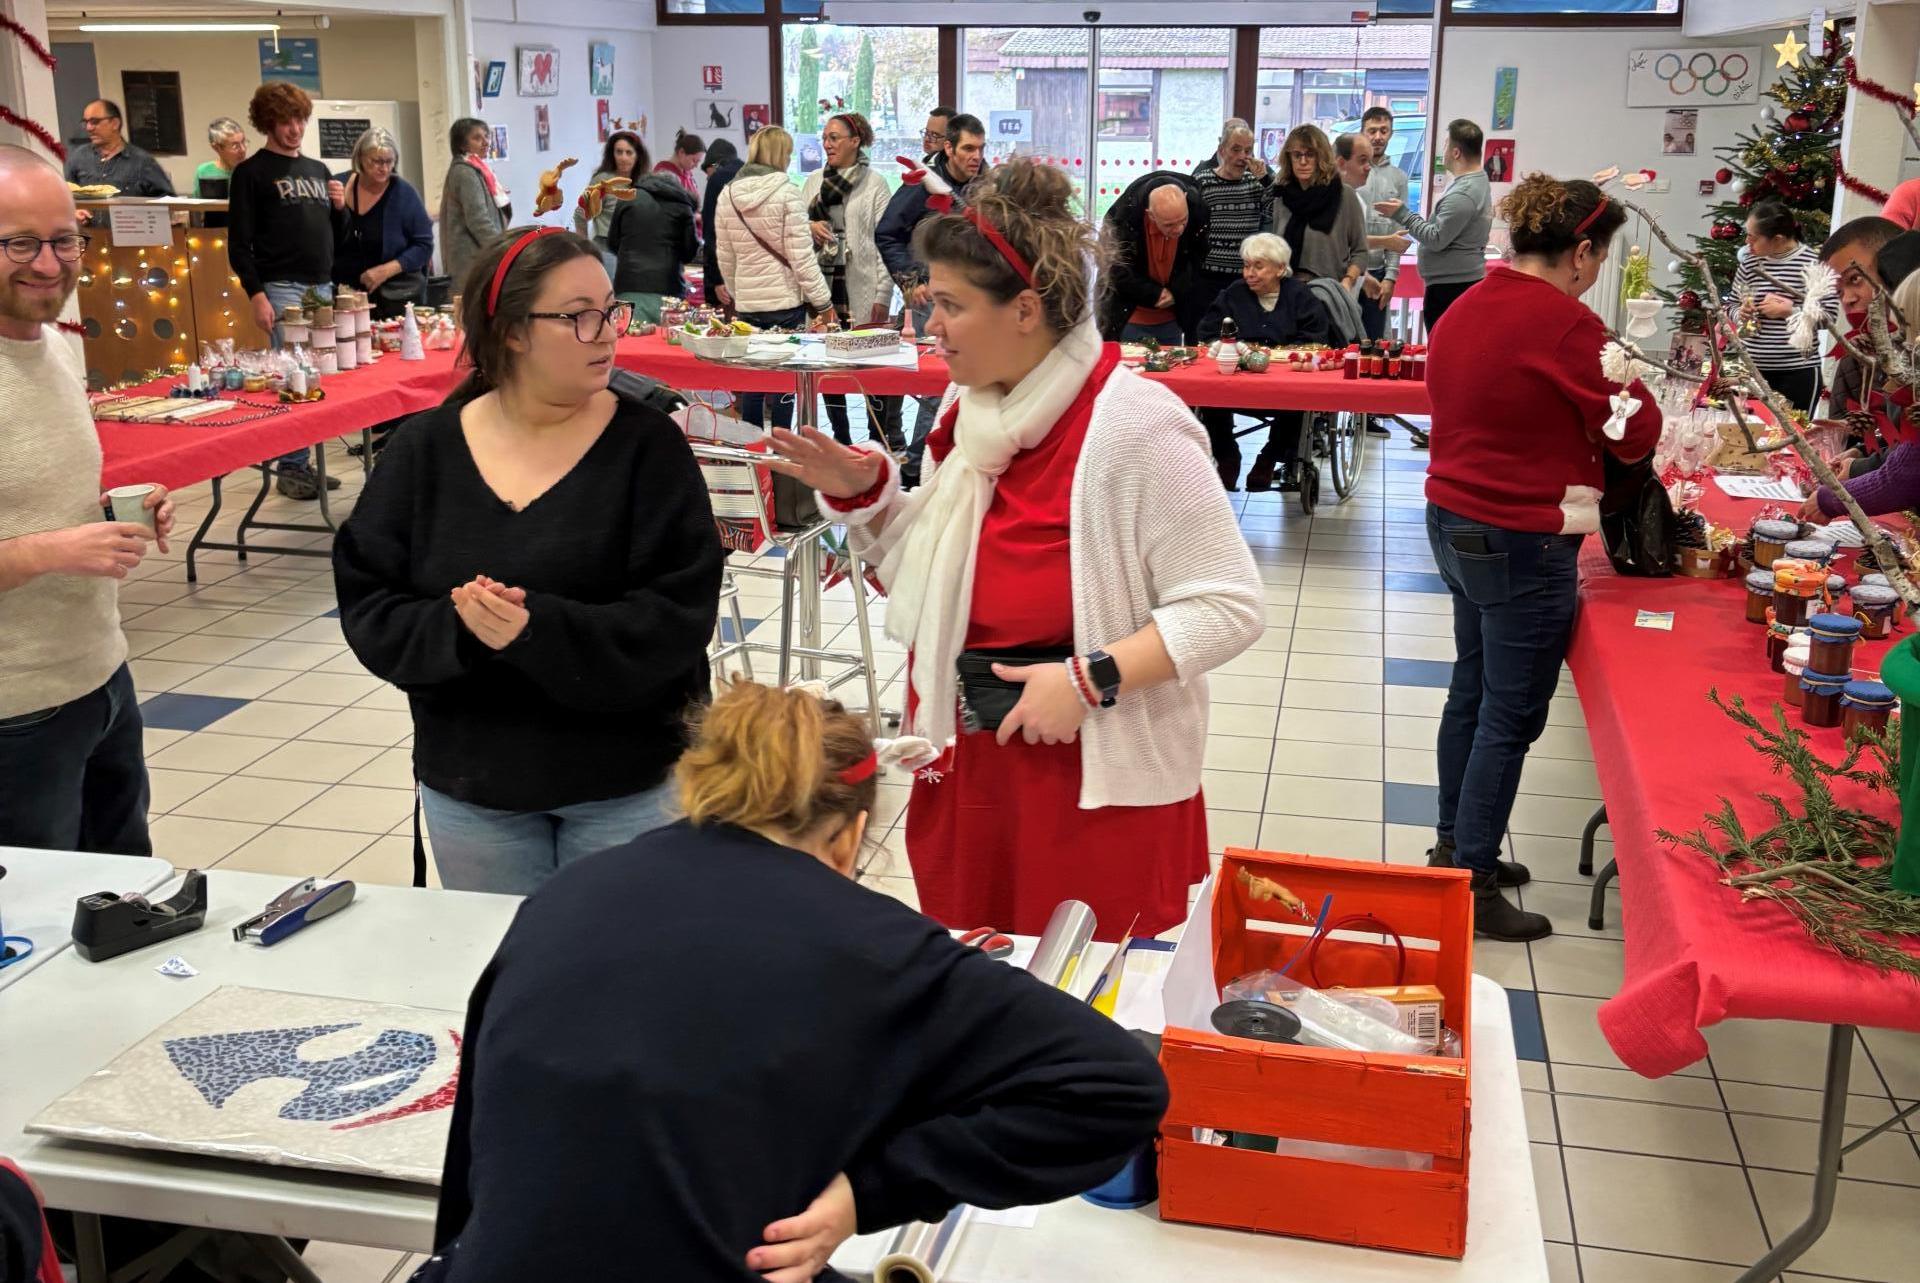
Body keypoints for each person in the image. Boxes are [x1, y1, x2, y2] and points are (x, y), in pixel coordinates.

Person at [416, 679, 1168, 1283]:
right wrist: (869, 1192)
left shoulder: (566, 894)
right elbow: (1120, 1088)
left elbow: (475, 1128)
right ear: (847, 835)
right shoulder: (877, 945)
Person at [769, 159, 1264, 941]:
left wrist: (1089, 677)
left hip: (1088, 784)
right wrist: (867, 500)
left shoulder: (1136, 426)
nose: (929, 324)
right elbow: (926, 578)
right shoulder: (972, 411)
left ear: (1026, 309)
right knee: (983, 1001)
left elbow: (1229, 607)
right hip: (972, 764)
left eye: (951, 306)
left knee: (1082, 1014)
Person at [333, 227, 723, 894]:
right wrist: (459, 629)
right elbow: (370, 599)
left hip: (630, 784)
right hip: (475, 786)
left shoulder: (648, 447)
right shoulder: (425, 450)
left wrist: (536, 629)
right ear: (512, 331)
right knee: (504, 971)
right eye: (578, 316)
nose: (606, 333)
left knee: (621, 979)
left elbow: (677, 616)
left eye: (611, 310)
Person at [1423, 174, 1661, 942]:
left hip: (1453, 518)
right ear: (1583, 251)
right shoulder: (1568, 326)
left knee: (1473, 687)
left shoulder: (1466, 305)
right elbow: (1639, 427)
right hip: (1522, 535)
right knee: (1511, 711)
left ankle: (1453, 847)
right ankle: (1476, 880)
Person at [0, 145, 175, 855]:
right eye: (19, 243)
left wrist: (112, 519)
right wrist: (51, 551)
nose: (49, 264)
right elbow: (35, 539)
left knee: (122, 893)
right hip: (15, 711)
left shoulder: (53, 348)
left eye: (65, 239)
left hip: (100, 676)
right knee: (35, 933)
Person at [227, 81, 347, 501]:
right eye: (285, 121)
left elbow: (340, 237)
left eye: (299, 120)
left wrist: (340, 208)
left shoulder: (318, 171)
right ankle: (292, 467)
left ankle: (305, 462)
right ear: (267, 123)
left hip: (321, 284)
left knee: (320, 374)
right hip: (281, 286)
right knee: (293, 375)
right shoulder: (251, 173)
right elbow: (239, 245)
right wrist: (256, 294)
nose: (294, 128)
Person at [879, 113, 987, 487]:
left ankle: (958, 464)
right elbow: (887, 233)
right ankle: (917, 469)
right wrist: (911, 280)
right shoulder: (921, 186)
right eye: (969, 148)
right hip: (932, 296)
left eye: (981, 148)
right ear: (948, 148)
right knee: (935, 385)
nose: (976, 156)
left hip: (977, 299)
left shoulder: (986, 186)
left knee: (971, 382)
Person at [714, 126, 836, 430]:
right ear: (780, 154)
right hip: (785, 302)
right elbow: (801, 258)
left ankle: (753, 451)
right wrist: (823, 302)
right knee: (784, 382)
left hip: (748, 304)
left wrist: (739, 291)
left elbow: (725, 257)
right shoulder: (787, 193)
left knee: (753, 381)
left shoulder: (727, 195)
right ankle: (782, 452)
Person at [1196, 234, 1331, 493]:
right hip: (1237, 378)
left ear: (1280, 268)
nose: (1249, 273)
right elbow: (1207, 333)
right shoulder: (1233, 294)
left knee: (1300, 396)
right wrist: (1235, 351)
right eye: (1247, 266)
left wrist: (1284, 355)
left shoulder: (1301, 296)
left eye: (1258, 266)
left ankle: (1269, 457)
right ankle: (1227, 454)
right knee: (1208, 392)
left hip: (1284, 381)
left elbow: (1316, 340)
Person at [801, 112, 902, 449]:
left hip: (863, 288)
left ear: (855, 141)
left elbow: (885, 243)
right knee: (830, 368)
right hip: (824, 292)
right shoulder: (813, 182)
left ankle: (877, 441)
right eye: (825, 137)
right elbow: (795, 234)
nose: (827, 144)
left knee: (872, 372)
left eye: (834, 138)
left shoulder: (875, 184)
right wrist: (808, 227)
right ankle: (842, 440)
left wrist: (883, 295)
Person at [1376, 119, 1492, 338]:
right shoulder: (1475, 181)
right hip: (1454, 282)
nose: (1443, 151)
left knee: (1444, 347)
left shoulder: (1463, 193)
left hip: (1451, 287)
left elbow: (1436, 238)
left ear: (1456, 153)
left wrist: (1402, 214)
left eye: (1446, 145)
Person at [1734, 199, 1837, 416]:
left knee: (1793, 439)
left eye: (1753, 237)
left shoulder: (1813, 264)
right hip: (1751, 370)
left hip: (1797, 372)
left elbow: (1830, 316)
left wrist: (1791, 311)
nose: (1747, 242)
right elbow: (1731, 304)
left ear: (1778, 239)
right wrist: (1738, 313)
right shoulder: (1750, 263)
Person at [1097, 170, 1210, 345]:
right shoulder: (1123, 218)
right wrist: (1153, 293)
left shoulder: (1198, 210)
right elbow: (1113, 268)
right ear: (1150, 215)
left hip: (1174, 315)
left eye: (1183, 220)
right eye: (1169, 225)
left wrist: (1176, 289)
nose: (1179, 229)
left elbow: (1198, 258)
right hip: (1130, 315)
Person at [332, 127, 435, 319]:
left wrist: (385, 271)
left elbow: (424, 245)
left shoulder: (404, 193)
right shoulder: (340, 185)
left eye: (389, 161)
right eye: (377, 161)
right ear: (361, 158)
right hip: (344, 295)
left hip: (392, 297)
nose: (384, 168)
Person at [605, 137, 700, 324]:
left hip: (628, 287)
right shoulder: (682, 206)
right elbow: (689, 252)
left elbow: (612, 242)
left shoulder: (628, 197)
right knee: (667, 346)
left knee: (632, 348)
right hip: (668, 289)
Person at [1191, 121, 1274, 325]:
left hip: (1246, 278)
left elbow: (1277, 211)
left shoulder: (1256, 183)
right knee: (1204, 336)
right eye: (1235, 149)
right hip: (1207, 278)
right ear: (1222, 150)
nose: (1242, 157)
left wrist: (1265, 179)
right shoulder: (1202, 182)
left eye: (1248, 150)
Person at [1268, 125, 1366, 293]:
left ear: (1321, 157)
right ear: (1289, 158)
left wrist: (1348, 281)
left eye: (1310, 155)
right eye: (1297, 155)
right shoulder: (1282, 197)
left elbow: (1361, 251)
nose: (1303, 161)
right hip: (1286, 291)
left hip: (1329, 291)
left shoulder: (1344, 195)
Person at [439, 117, 509, 289]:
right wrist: (503, 249)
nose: (485, 142)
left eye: (486, 136)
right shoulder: (465, 173)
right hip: (471, 259)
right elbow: (478, 220)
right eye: (477, 138)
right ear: (462, 145)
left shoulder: (478, 170)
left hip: (479, 256)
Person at [63, 99, 172, 197]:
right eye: (85, 122)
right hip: (87, 220)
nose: (89, 128)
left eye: (95, 122)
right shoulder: (78, 157)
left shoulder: (142, 162)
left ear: (115, 123)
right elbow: (66, 196)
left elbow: (168, 200)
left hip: (129, 219)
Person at [572, 129, 644, 262]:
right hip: (607, 248)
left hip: (636, 248)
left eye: (629, 152)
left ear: (637, 156)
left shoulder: (644, 181)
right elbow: (580, 214)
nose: (623, 157)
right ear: (612, 154)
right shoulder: (603, 181)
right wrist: (584, 249)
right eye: (619, 152)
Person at [698, 137, 743, 305]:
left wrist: (716, 280)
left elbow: (712, 235)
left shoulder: (717, 179)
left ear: (714, 165)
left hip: (725, 273)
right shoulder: (752, 174)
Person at [192, 117, 246, 228]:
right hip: (214, 234)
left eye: (244, 142)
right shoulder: (204, 171)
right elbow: (196, 210)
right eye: (235, 145)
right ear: (216, 148)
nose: (243, 149)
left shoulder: (252, 170)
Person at [655, 129, 706, 200]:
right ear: (681, 152)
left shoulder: (688, 174)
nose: (696, 165)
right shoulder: (663, 174)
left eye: (698, 161)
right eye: (694, 160)